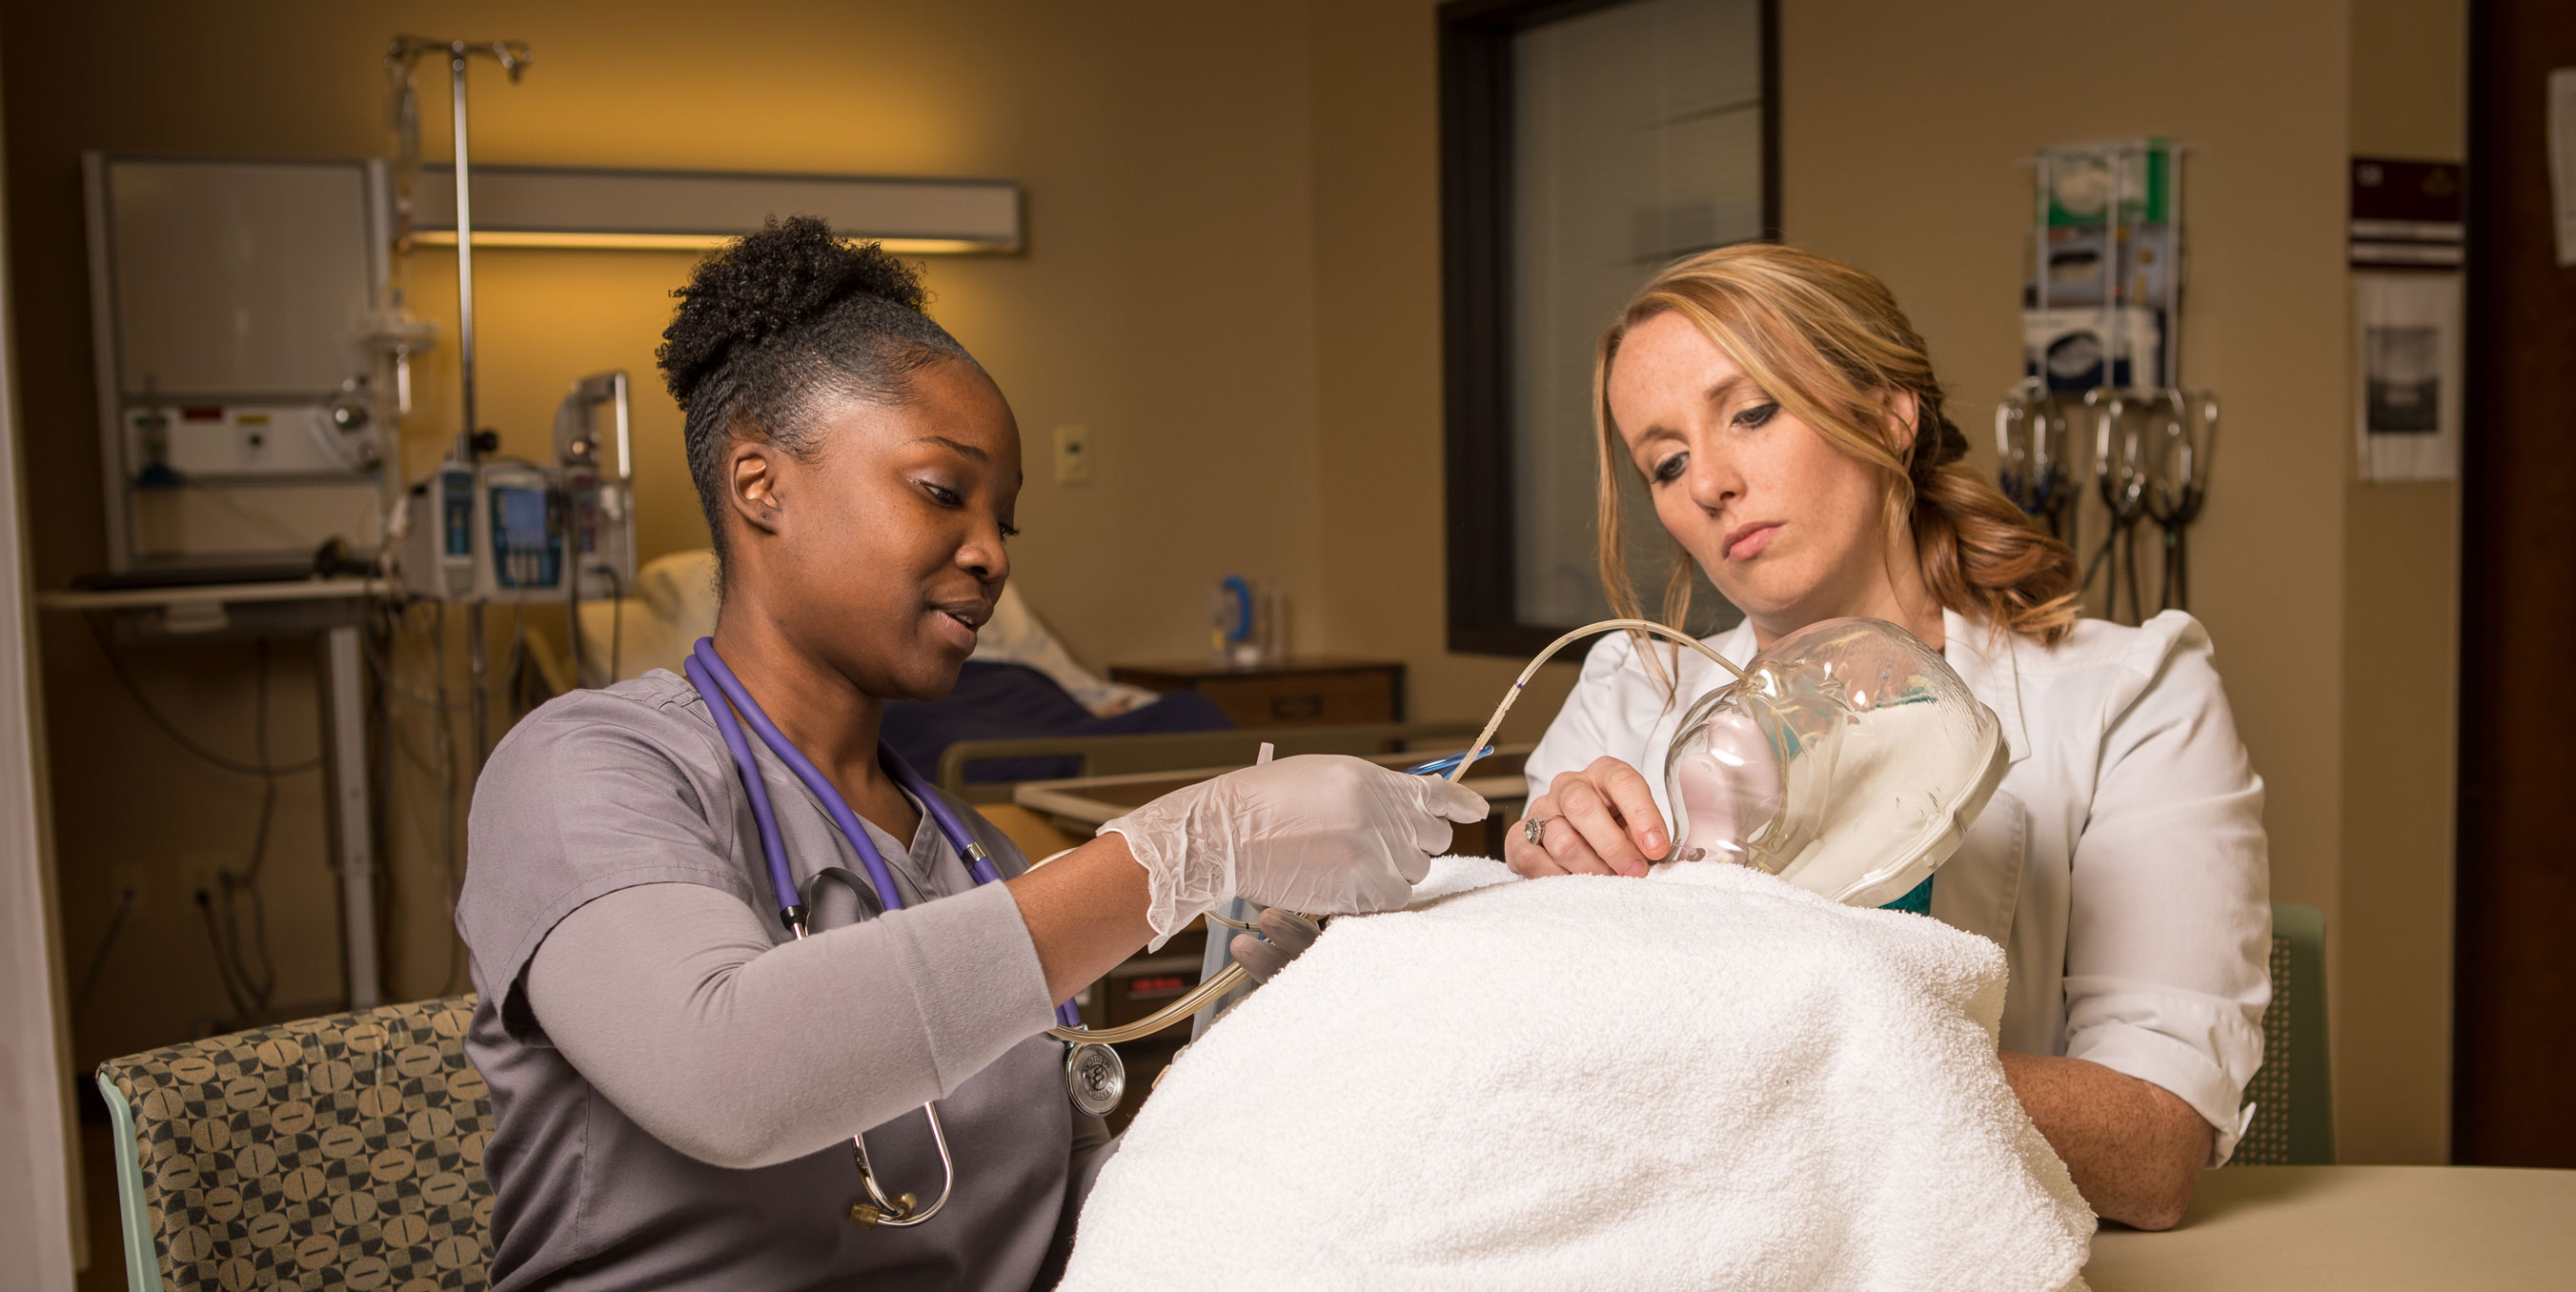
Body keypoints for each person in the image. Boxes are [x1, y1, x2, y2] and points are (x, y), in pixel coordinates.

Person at [456, 216, 1485, 1290]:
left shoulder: (979, 862)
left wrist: (1235, 1052)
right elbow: (727, 1072)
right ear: (761, 485)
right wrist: (1187, 847)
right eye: (944, 493)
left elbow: (1069, 1226)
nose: (991, 555)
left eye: (1007, 521)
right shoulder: (588, 771)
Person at [1511, 244, 2268, 1231]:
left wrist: (1782, 1051)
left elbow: (2154, 1146)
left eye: (1750, 412)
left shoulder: (2133, 697)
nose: (1710, 483)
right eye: (1666, 461)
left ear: (1888, 414)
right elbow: (1539, 1077)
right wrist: (1538, 889)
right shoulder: (1631, 693)